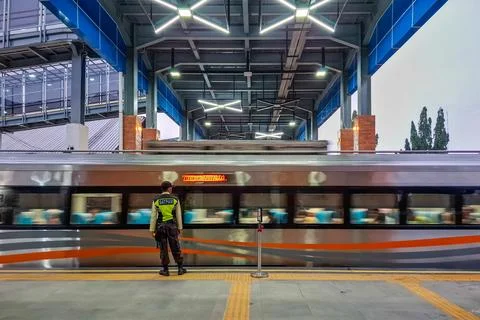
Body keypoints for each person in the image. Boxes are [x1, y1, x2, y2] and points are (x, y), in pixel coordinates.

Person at [149, 181, 187, 276]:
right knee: (175, 247)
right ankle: (180, 268)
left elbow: (153, 216)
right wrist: (180, 228)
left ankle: (165, 270)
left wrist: (152, 230)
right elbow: (178, 215)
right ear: (169, 188)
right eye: (171, 187)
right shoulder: (175, 199)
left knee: (163, 248)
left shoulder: (156, 200)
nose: (172, 189)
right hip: (172, 226)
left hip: (161, 227)